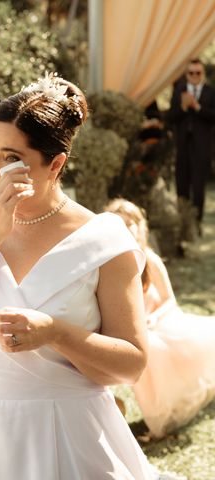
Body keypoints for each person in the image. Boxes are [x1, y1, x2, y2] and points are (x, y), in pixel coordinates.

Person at [0, 74, 153, 479]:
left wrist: (56, 332)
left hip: (67, 438)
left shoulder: (104, 241)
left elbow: (131, 365)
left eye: (11, 158)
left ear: (55, 164)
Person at [106, 198, 215, 439]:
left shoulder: (150, 259)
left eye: (130, 224)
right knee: (137, 348)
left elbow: (169, 300)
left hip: (160, 320)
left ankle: (161, 416)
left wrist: (151, 320)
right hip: (133, 329)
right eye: (119, 224)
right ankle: (138, 415)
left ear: (140, 227)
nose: (125, 229)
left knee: (151, 348)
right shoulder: (107, 263)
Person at [167, 59, 215, 235]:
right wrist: (183, 107)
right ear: (186, 75)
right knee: (182, 185)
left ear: (202, 74)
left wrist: (198, 107)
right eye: (191, 73)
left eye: (198, 73)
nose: (194, 76)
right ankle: (183, 224)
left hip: (202, 147)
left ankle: (197, 224)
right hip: (182, 147)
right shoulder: (179, 90)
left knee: (199, 187)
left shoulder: (210, 92)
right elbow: (171, 117)